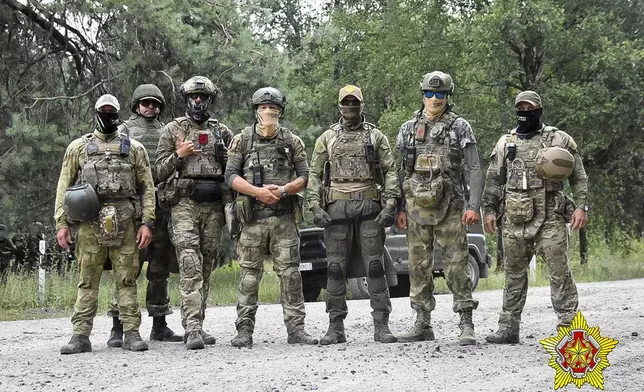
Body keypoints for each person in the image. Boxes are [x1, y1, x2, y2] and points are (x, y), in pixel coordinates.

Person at [483, 90, 589, 344]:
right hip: (513, 219)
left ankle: (569, 329)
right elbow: (493, 178)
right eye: (520, 108)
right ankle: (508, 329)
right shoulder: (506, 143)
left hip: (550, 218)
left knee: (559, 273)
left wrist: (581, 206)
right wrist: (488, 209)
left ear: (539, 110)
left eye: (529, 108)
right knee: (513, 275)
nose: (524, 113)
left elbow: (579, 176)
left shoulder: (559, 139)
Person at [54, 94, 155, 354]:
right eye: (104, 111)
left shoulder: (134, 149)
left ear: (119, 113)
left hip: (125, 220)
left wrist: (147, 222)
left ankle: (131, 333)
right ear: (96, 112)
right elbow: (63, 186)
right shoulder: (78, 147)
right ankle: (80, 335)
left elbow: (147, 189)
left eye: (112, 112)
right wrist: (61, 223)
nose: (108, 116)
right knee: (87, 280)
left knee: (127, 279)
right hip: (89, 221)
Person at [395, 71, 483, 346]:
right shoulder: (408, 128)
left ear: (448, 96)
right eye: (430, 94)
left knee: (456, 264)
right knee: (418, 265)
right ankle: (422, 322)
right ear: (422, 94)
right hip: (416, 207)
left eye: (441, 94)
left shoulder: (460, 126)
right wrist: (399, 206)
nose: (435, 99)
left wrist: (474, 205)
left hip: (452, 206)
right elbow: (399, 172)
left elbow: (473, 167)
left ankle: (466, 322)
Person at [224, 87, 317, 348]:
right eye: (263, 109)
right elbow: (230, 176)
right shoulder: (242, 140)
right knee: (249, 276)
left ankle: (296, 330)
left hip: (284, 218)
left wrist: (285, 189)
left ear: (281, 112)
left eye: (273, 110)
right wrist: (257, 192)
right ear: (255, 111)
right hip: (252, 218)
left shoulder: (292, 141)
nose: (268, 113)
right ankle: (244, 331)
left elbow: (306, 176)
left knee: (290, 275)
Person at [307, 85, 399, 345]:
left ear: (362, 104)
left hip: (370, 209)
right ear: (339, 105)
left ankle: (382, 325)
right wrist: (314, 206)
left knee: (375, 267)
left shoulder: (376, 136)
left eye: (354, 102)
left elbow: (391, 171)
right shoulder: (327, 138)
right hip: (336, 211)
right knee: (335, 269)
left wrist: (391, 203)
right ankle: (335, 326)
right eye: (345, 102)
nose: (350, 106)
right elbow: (314, 174)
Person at [155, 76, 233, 350]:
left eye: (202, 97)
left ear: (209, 99)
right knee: (190, 265)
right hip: (185, 204)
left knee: (207, 266)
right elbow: (157, 172)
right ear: (186, 99)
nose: (198, 101)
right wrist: (179, 155)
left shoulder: (222, 132)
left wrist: (226, 159)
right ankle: (192, 329)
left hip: (213, 206)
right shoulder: (172, 129)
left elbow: (233, 172)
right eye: (193, 97)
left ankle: (197, 321)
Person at [106, 84, 183, 347]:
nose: (150, 108)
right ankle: (119, 326)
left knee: (159, 269)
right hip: (132, 209)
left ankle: (159, 324)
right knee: (128, 268)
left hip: (161, 207)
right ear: (136, 105)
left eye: (155, 104)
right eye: (145, 103)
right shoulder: (123, 130)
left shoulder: (167, 132)